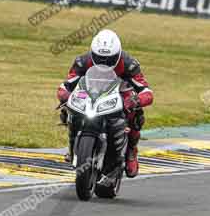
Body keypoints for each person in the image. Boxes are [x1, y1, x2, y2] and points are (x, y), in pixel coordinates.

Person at [55, 29, 153, 177]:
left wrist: (136, 100)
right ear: (93, 54)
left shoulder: (129, 64)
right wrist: (65, 96)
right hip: (91, 92)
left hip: (119, 93)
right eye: (100, 58)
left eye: (109, 59)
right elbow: (66, 85)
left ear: (118, 54)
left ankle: (132, 150)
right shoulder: (82, 61)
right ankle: (72, 148)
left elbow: (146, 90)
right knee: (68, 110)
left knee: (135, 113)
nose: (104, 63)